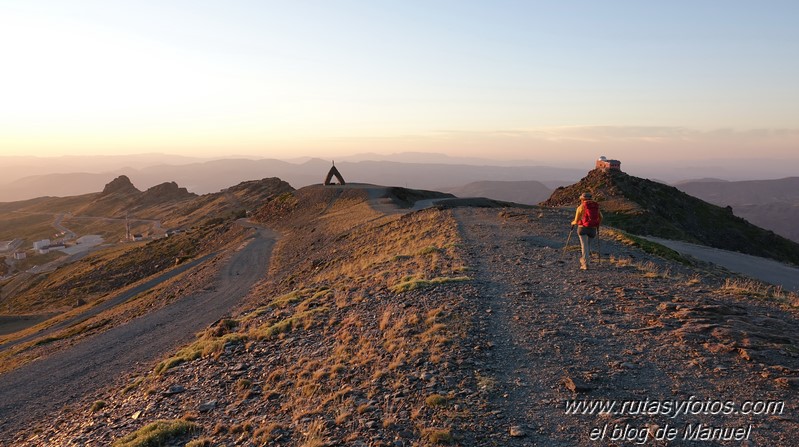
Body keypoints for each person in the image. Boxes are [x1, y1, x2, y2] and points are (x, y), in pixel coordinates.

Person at [571, 192, 602, 270]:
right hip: (593, 229)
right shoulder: (595, 206)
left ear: (582, 199)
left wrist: (573, 223)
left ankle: (585, 264)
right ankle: (585, 260)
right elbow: (601, 217)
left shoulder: (581, 207)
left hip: (583, 228)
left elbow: (576, 220)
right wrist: (596, 224)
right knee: (587, 246)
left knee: (584, 246)